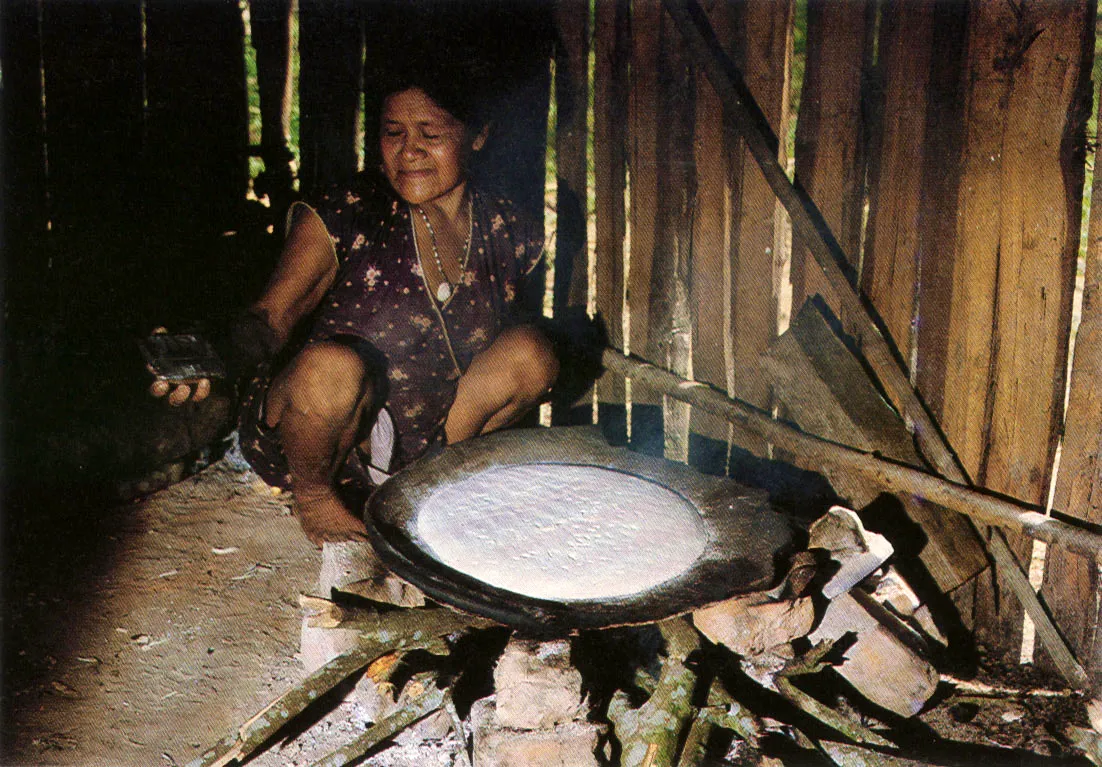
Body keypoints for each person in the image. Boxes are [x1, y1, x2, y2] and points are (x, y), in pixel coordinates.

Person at [152, 66, 561, 571]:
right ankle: (317, 499)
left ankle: (425, 481)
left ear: (478, 135)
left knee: (532, 351)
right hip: (325, 433)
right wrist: (213, 354)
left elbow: (499, 350)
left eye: (429, 134)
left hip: (428, 436)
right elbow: (269, 319)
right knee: (332, 365)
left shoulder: (506, 224)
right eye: (393, 132)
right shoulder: (349, 211)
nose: (408, 150)